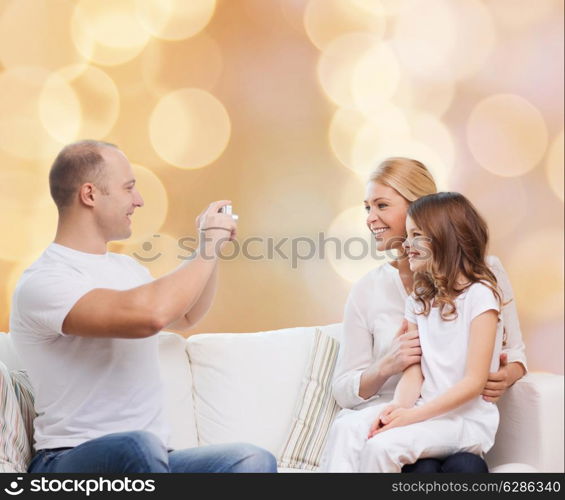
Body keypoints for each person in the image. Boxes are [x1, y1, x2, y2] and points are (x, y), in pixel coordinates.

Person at [10, 140, 277, 473]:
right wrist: (206, 247)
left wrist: (212, 248)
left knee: (252, 460)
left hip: (153, 460)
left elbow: (187, 313)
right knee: (138, 445)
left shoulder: (128, 270)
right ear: (90, 195)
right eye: (129, 188)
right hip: (69, 459)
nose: (139, 200)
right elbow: (150, 315)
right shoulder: (44, 281)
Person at [320, 158, 527, 473]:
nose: (370, 219)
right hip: (409, 414)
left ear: (425, 212)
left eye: (382, 206)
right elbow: (348, 386)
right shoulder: (392, 294)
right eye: (367, 208)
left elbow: (511, 356)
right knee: (373, 443)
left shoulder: (484, 280)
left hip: (452, 418)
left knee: (464, 469)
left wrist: (502, 375)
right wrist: (387, 368)